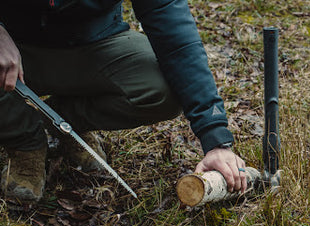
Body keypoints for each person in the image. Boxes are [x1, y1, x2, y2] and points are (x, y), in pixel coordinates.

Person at [0, 0, 247, 203]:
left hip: (93, 45)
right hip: (13, 44)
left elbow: (176, 37)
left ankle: (59, 120)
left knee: (161, 88)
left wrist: (215, 140)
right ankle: (24, 143)